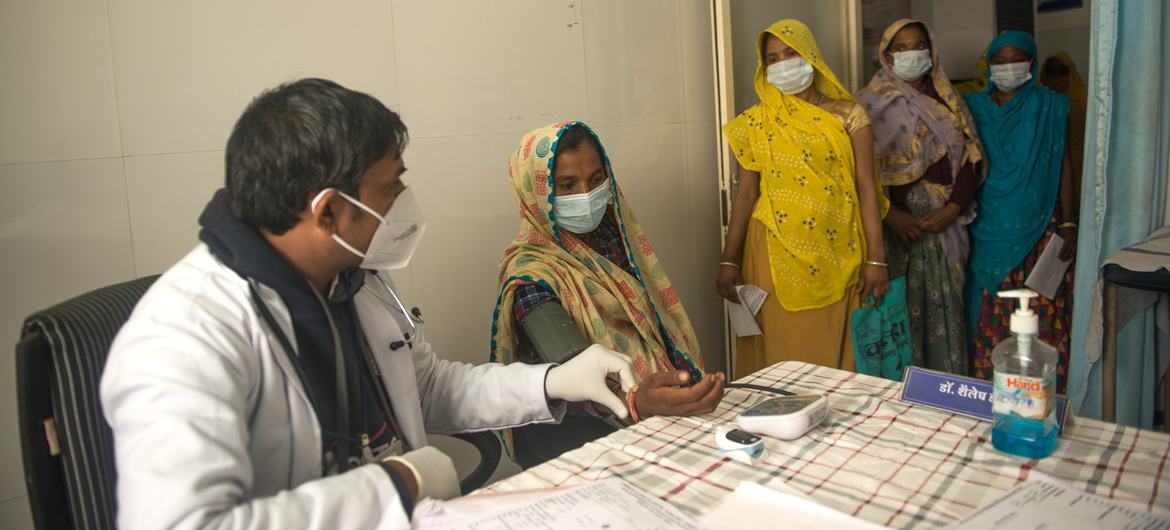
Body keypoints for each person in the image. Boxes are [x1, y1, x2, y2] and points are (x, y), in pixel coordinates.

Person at [100, 79, 636, 529]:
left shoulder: (354, 279)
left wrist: (553, 382)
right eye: (392, 188)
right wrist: (397, 482)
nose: (404, 206)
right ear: (330, 211)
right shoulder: (183, 335)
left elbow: (426, 388)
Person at [490, 121, 725, 468]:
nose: (586, 194)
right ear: (537, 193)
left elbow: (652, 328)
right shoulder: (531, 276)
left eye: (596, 179)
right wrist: (633, 400)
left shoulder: (614, 241)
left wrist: (680, 382)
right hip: (572, 434)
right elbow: (575, 369)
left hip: (643, 411)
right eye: (567, 185)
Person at [716, 19, 890, 378]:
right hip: (772, 254)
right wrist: (729, 260)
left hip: (840, 253)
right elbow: (747, 193)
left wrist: (877, 259)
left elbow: (866, 187)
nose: (783, 64)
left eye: (791, 53)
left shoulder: (848, 115)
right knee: (783, 362)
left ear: (810, 55)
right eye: (773, 58)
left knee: (838, 364)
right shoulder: (758, 122)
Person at [856, 19, 984, 375]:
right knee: (899, 314)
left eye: (918, 46)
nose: (911, 54)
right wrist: (889, 215)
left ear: (931, 51)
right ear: (886, 54)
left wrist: (953, 208)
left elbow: (972, 159)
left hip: (944, 227)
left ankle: (945, 390)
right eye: (901, 48)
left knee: (945, 310)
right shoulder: (867, 104)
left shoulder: (948, 99)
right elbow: (857, 172)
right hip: (896, 233)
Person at [963, 32, 1077, 391]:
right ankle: (988, 394)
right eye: (999, 60)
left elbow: (1064, 163)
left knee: (1040, 319)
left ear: (1032, 63)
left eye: (1017, 59)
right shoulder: (972, 108)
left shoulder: (1052, 106)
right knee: (988, 318)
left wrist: (1070, 220)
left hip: (1040, 229)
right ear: (989, 65)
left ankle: (1044, 397)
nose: (1007, 66)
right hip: (986, 229)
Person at [1040, 51, 1087, 204]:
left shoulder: (1086, 102)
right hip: (1047, 171)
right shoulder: (1037, 105)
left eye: (1062, 72)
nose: (1057, 78)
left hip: (1082, 169)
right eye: (1051, 72)